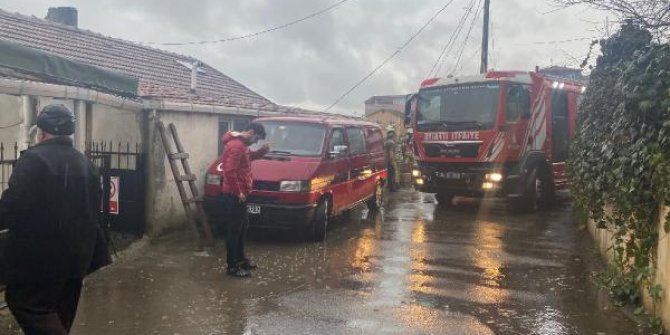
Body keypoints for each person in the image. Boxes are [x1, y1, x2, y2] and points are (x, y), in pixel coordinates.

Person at [0, 104, 111, 334]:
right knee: (61, 311)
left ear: (40, 133)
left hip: (41, 259)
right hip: (79, 255)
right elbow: (93, 209)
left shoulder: (34, 160)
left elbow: (12, 207)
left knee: (26, 303)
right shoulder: (86, 164)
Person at [220, 123, 269, 278]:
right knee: (234, 231)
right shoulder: (237, 146)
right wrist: (238, 192)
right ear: (251, 132)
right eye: (257, 139)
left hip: (241, 194)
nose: (256, 142)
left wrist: (262, 152)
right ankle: (232, 266)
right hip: (235, 195)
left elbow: (248, 158)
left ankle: (241, 260)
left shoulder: (243, 145)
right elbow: (229, 171)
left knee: (242, 226)